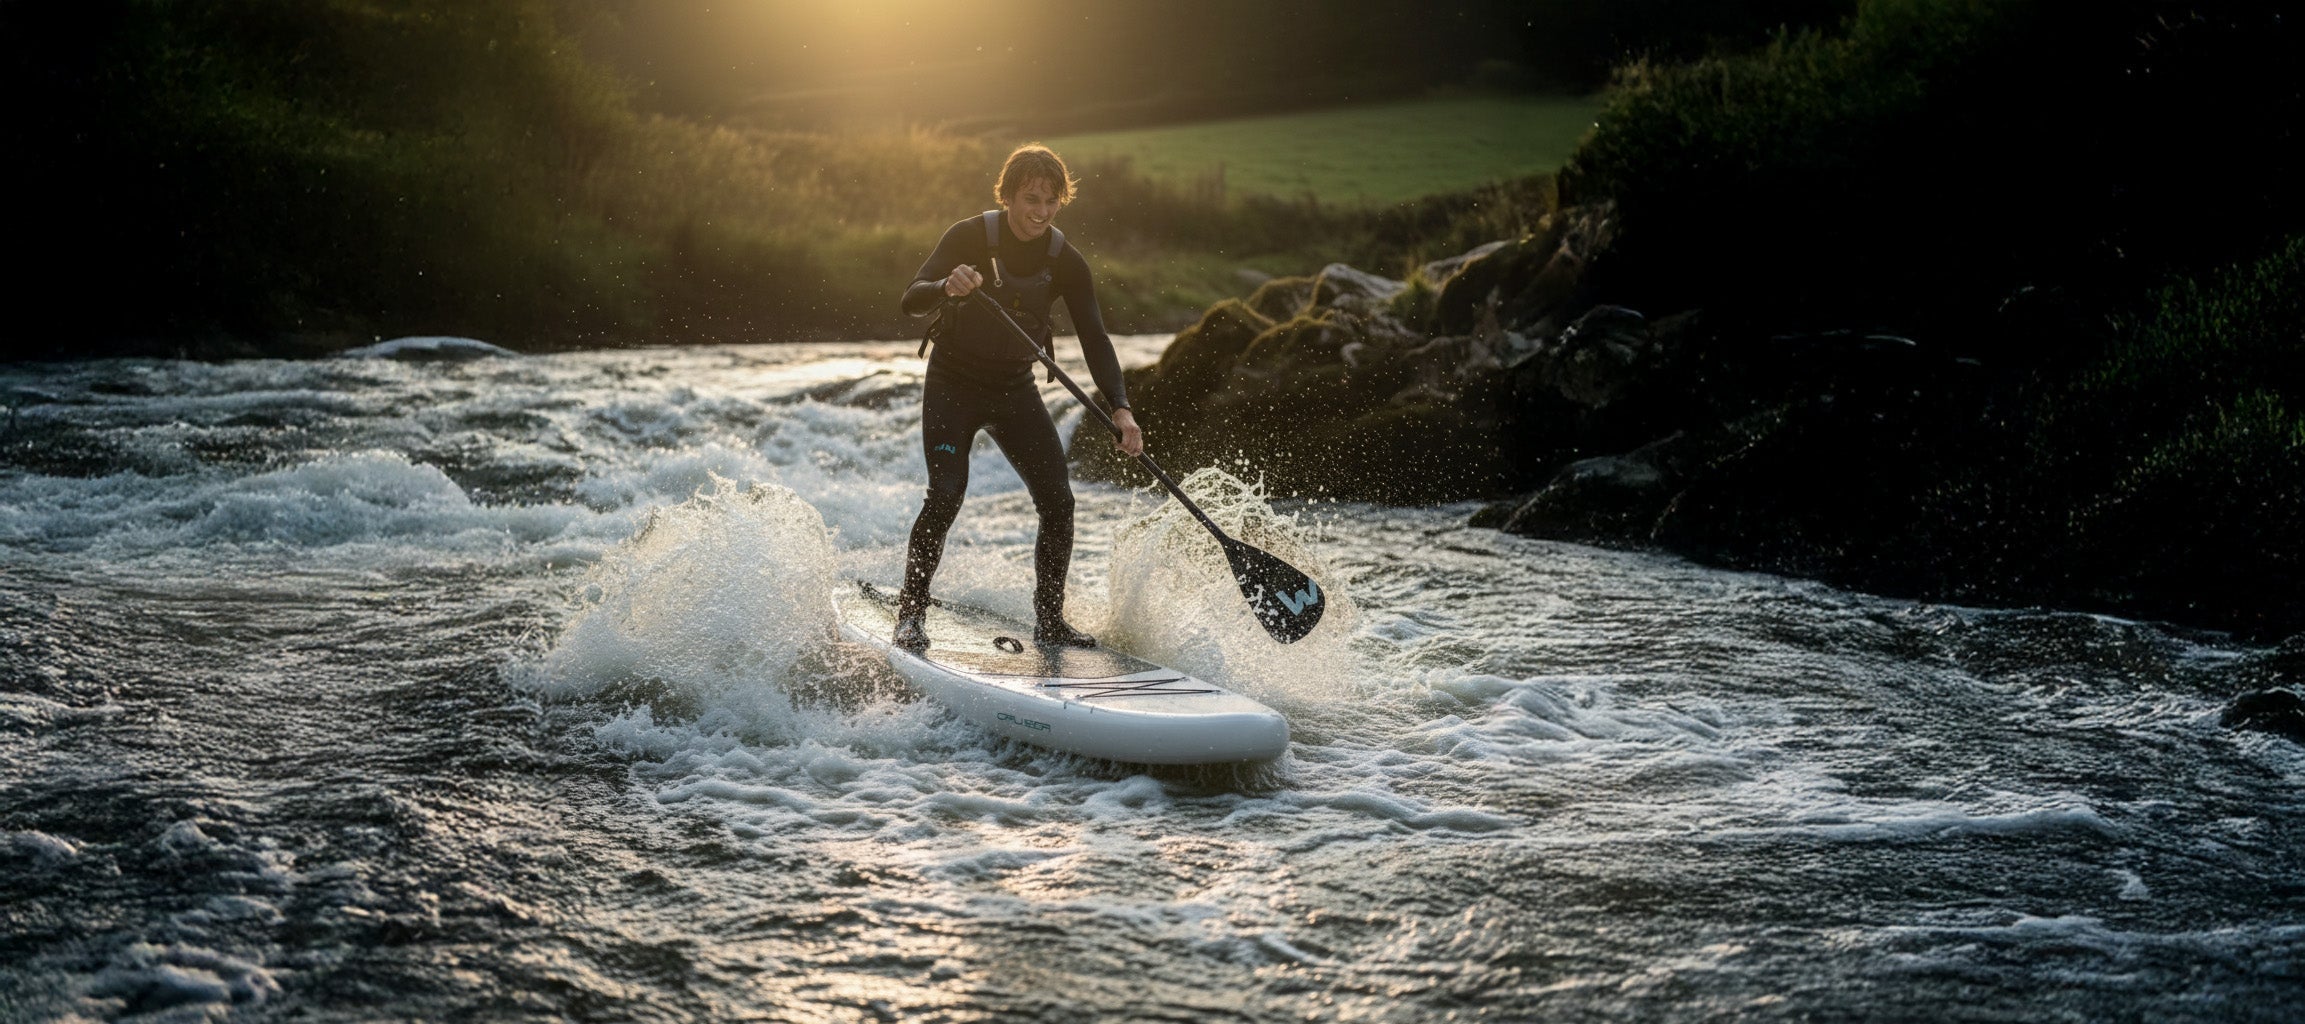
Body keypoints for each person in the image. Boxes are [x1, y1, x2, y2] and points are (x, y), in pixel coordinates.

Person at [891, 143, 1143, 651]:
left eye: (1051, 202)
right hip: (953, 384)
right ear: (1007, 196)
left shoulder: (1065, 261)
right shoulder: (967, 236)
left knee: (1059, 502)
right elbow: (910, 299)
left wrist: (1121, 407)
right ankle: (910, 615)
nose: (1041, 212)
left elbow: (1095, 338)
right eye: (1031, 199)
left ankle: (1049, 620)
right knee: (945, 495)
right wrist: (946, 284)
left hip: (1014, 389)